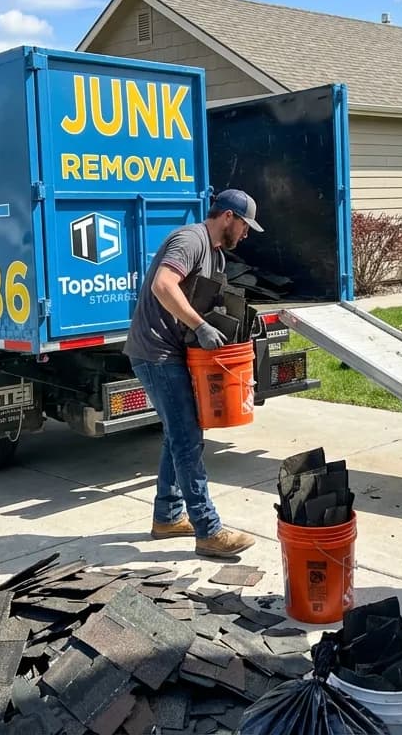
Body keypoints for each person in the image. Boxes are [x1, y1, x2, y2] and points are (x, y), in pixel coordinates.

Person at [124, 189, 262, 559]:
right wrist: (200, 326)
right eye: (245, 226)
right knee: (187, 438)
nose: (246, 235)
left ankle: (168, 517)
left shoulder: (214, 254)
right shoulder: (190, 239)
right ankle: (208, 529)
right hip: (155, 352)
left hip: (174, 352)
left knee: (180, 434)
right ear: (228, 217)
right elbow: (163, 284)